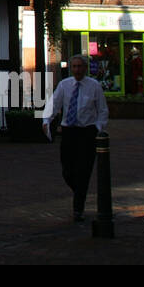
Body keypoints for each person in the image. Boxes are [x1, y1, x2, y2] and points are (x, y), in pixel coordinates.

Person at [42, 55, 109, 222]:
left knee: (84, 171)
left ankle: (78, 208)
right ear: (71, 68)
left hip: (87, 132)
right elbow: (54, 104)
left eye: (80, 66)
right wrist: (46, 120)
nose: (77, 70)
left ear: (85, 68)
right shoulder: (65, 85)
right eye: (74, 66)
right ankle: (79, 191)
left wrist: (99, 129)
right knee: (67, 170)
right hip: (69, 131)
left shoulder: (94, 86)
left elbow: (102, 110)